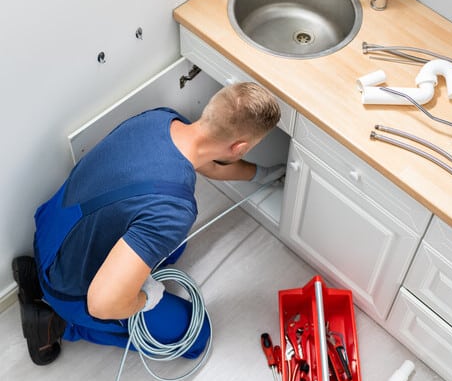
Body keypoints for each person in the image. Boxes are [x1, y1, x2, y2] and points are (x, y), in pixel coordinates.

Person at [12, 82, 284, 365]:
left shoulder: (162, 120)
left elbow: (210, 164)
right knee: (196, 338)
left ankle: (36, 280)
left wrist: (261, 174)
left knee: (175, 245)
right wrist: (144, 299)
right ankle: (56, 323)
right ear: (239, 147)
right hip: (70, 286)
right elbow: (102, 303)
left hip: (50, 235)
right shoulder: (174, 209)